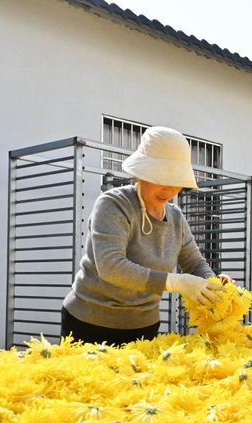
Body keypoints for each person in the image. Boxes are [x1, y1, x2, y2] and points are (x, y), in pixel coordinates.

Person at [62, 127, 233, 345]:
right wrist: (176, 282)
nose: (168, 190)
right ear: (142, 173)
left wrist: (212, 284)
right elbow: (111, 266)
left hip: (144, 327)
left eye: (175, 181)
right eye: (160, 178)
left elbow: (193, 261)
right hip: (89, 322)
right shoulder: (113, 204)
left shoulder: (176, 218)